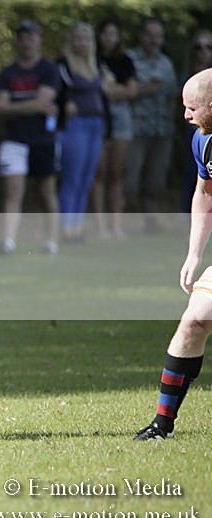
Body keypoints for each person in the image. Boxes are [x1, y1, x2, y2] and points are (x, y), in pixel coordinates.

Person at [134, 67, 212, 440]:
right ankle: (162, 425)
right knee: (193, 321)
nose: (185, 115)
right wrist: (193, 255)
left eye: (192, 107)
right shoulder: (203, 141)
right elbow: (204, 194)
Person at [0, 20, 60, 256]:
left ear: (38, 40)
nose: (26, 42)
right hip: (14, 139)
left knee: (46, 192)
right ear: (17, 42)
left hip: (43, 139)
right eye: (22, 37)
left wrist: (14, 105)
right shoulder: (8, 72)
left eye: (31, 37)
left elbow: (44, 101)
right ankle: (8, 241)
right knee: (13, 190)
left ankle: (51, 241)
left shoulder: (49, 70)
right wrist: (35, 106)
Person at [124, 17, 178, 233]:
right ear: (142, 36)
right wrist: (147, 89)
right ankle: (121, 222)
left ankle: (150, 223)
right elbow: (124, 91)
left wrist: (172, 121)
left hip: (161, 129)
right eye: (151, 35)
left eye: (159, 36)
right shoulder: (129, 59)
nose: (155, 40)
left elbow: (173, 95)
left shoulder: (166, 63)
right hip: (135, 129)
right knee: (130, 177)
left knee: (155, 178)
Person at [56, 22, 106, 243]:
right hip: (74, 126)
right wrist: (64, 104)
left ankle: (76, 229)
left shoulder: (96, 65)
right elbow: (55, 92)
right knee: (72, 178)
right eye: (78, 38)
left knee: (87, 179)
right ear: (71, 40)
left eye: (86, 39)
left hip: (96, 124)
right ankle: (65, 229)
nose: (82, 43)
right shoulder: (63, 64)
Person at [92, 18, 138, 240]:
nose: (109, 38)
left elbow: (131, 91)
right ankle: (100, 227)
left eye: (113, 34)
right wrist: (113, 90)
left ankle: (116, 226)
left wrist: (109, 90)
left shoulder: (125, 61)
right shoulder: (91, 59)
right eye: (105, 33)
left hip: (120, 119)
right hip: (98, 117)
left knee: (116, 174)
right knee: (99, 173)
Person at [181, 29, 212, 214]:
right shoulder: (187, 78)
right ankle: (188, 218)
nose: (203, 52)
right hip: (195, 134)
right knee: (193, 177)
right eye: (198, 47)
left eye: (208, 47)